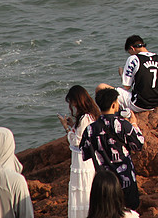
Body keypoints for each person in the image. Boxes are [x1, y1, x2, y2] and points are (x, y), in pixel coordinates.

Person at [79, 88, 145, 210]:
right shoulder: (123, 125)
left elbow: (85, 153)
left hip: (104, 182)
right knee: (129, 209)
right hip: (126, 177)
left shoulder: (90, 129)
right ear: (114, 105)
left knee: (108, 211)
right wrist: (134, 124)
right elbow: (139, 144)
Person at [99, 35, 158, 120]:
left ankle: (105, 119)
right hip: (157, 103)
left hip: (139, 104)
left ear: (132, 48)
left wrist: (122, 74)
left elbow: (126, 87)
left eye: (129, 52)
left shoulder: (133, 59)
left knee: (101, 87)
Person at [59, 85, 101, 218]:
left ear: (76, 101)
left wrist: (66, 128)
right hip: (90, 159)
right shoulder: (92, 115)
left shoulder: (84, 118)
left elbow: (77, 141)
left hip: (82, 161)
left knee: (82, 191)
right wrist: (73, 126)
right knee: (87, 190)